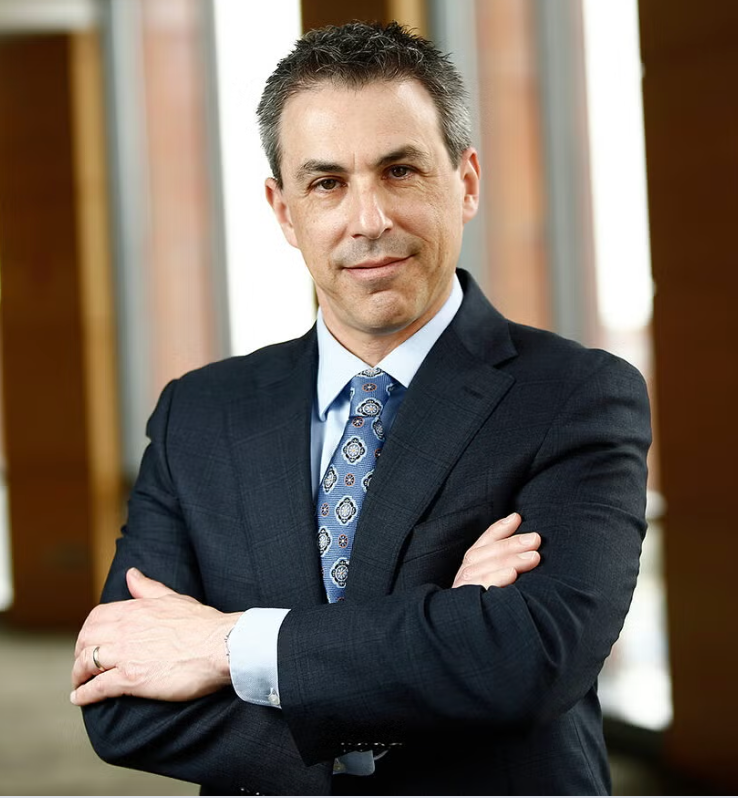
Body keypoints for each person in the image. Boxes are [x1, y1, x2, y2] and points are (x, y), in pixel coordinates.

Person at [71, 21, 651, 796]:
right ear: (283, 211)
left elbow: (531, 659)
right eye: (326, 183)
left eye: (400, 170)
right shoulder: (197, 416)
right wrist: (441, 632)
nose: (368, 218)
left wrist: (227, 646)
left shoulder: (575, 396)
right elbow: (120, 699)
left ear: (466, 182)